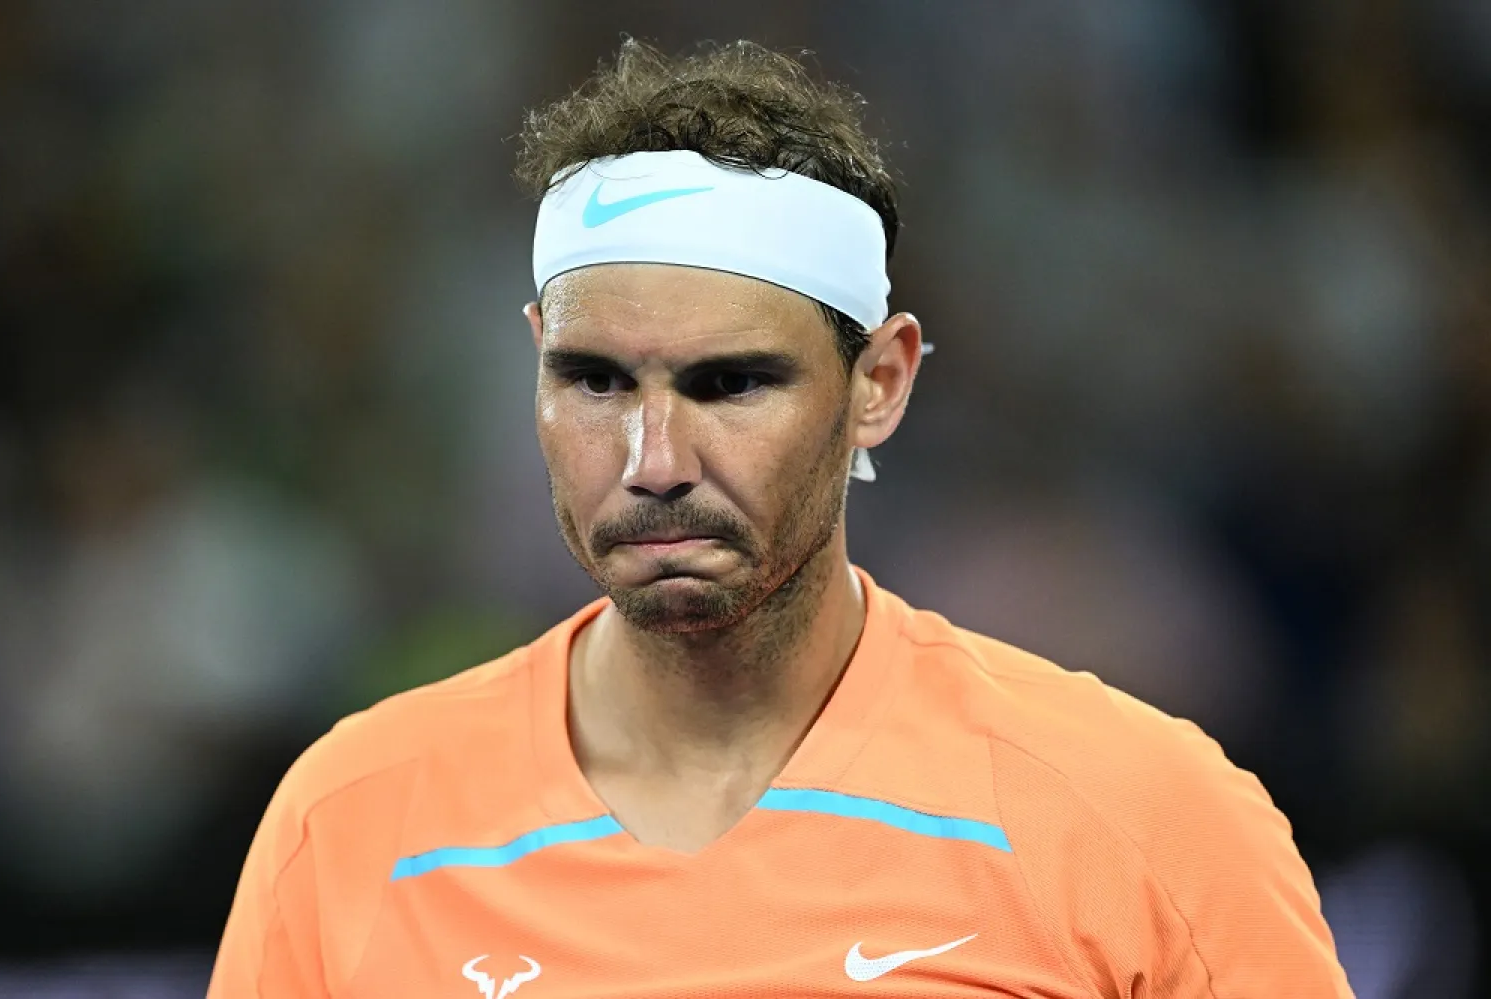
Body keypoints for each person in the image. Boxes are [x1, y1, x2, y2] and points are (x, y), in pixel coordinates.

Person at [208, 39, 1354, 998]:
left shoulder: (1141, 821)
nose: (653, 463)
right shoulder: (349, 824)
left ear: (880, 384)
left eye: (732, 383)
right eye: (596, 380)